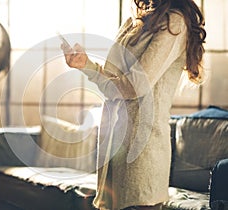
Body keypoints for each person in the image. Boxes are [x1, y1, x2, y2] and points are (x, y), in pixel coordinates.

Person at [61, 0, 206, 209]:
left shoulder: (175, 22)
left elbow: (135, 86)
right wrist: (86, 65)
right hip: (114, 146)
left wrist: (103, 76)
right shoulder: (133, 22)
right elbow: (113, 86)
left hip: (143, 153)